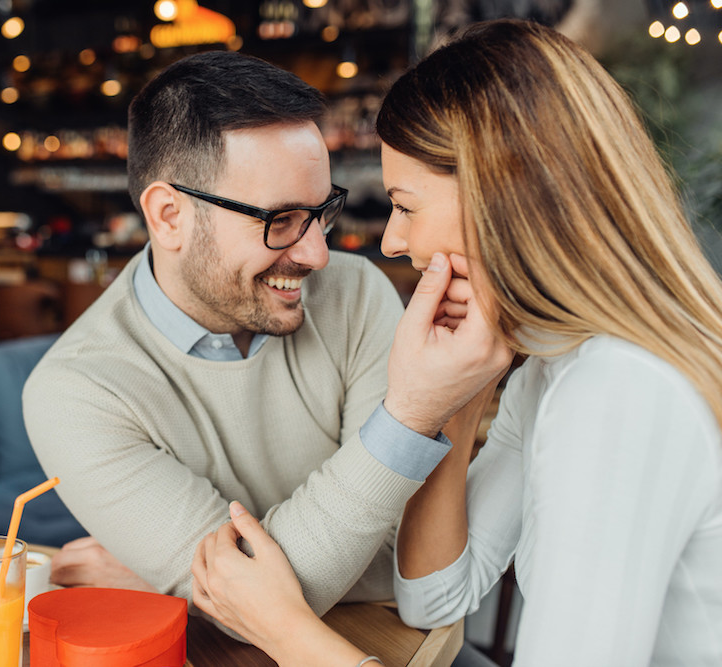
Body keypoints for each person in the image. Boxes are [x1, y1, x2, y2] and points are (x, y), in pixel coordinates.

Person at [191, 19, 722, 666]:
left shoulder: (615, 391)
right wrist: (453, 395)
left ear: (505, 201)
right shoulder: (554, 368)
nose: (393, 241)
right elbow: (434, 597)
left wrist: (283, 628)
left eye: (406, 206)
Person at [23, 50, 506, 618]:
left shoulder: (354, 294)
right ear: (170, 216)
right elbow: (252, 612)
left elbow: (408, 557)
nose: (318, 255)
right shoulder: (74, 394)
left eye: (322, 212)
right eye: (280, 221)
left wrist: (179, 585)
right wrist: (407, 421)